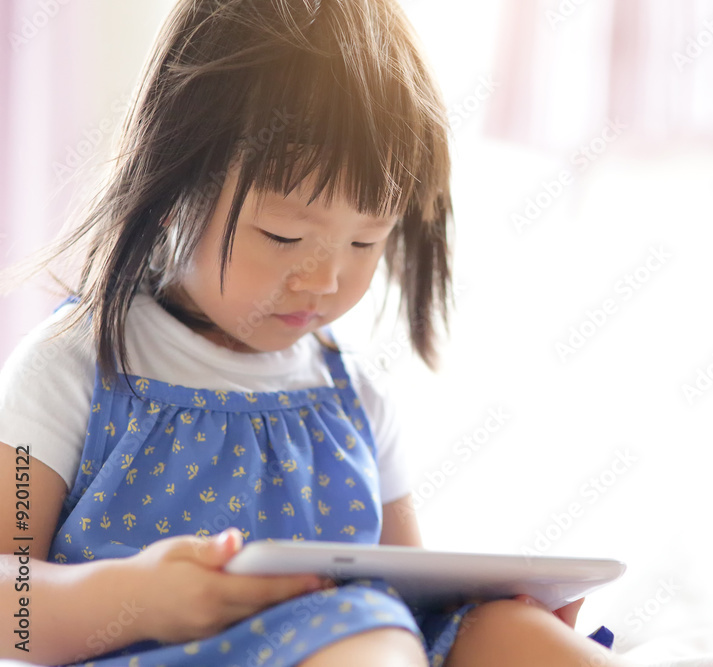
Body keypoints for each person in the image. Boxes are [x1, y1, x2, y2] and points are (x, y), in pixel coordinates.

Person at [0, 1, 636, 665]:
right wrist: (135, 595)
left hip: (365, 638)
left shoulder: (351, 395)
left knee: (511, 634)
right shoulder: (68, 369)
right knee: (366, 629)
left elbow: (408, 587)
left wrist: (503, 605)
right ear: (170, 192)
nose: (325, 277)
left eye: (366, 241)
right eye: (284, 236)